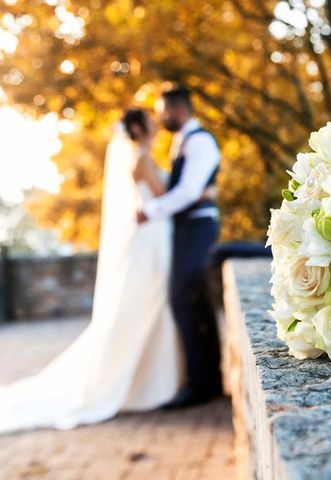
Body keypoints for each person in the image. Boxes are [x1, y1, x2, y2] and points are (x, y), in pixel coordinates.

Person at [0, 109, 182, 433]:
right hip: (151, 242)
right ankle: (148, 383)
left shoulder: (143, 156)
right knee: (150, 305)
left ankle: (154, 379)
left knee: (153, 306)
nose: (156, 124)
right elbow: (162, 197)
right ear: (139, 129)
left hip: (153, 238)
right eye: (150, 122)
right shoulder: (141, 158)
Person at [137, 86, 223, 407]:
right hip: (185, 228)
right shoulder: (181, 141)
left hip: (199, 227)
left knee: (183, 299)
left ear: (176, 109)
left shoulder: (200, 141)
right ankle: (206, 381)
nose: (161, 118)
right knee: (193, 301)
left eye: (163, 111)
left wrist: (150, 211)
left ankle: (201, 385)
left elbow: (189, 191)